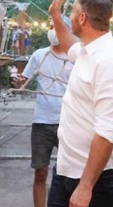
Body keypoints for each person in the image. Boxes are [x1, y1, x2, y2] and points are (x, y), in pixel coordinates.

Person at [47, 0, 113, 207]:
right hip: (67, 169)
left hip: (99, 180)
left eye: (73, 12)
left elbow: (107, 130)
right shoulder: (87, 50)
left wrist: (86, 186)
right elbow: (68, 45)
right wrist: (56, 16)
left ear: (82, 18)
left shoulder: (110, 61)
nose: (71, 17)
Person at [18, 17, 73, 207]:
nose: (52, 30)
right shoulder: (39, 55)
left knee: (71, 172)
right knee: (41, 171)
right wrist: (16, 81)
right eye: (50, 26)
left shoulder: (75, 57)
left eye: (56, 27)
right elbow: (22, 80)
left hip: (69, 122)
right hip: (42, 122)